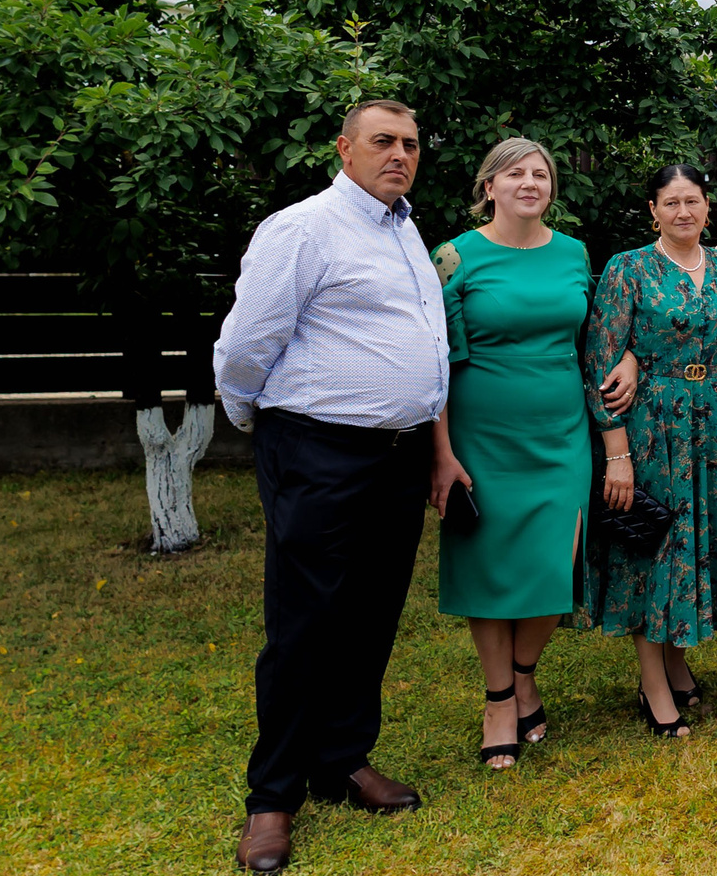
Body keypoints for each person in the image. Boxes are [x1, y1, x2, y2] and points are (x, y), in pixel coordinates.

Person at [214, 99, 445, 872]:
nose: (400, 154)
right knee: (305, 622)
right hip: (319, 451)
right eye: (383, 141)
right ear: (345, 149)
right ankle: (272, 797)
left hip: (398, 455)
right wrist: (260, 421)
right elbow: (246, 344)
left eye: (410, 143)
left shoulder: (404, 228)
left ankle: (342, 760)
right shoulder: (304, 229)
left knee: (370, 615)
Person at [427, 138, 628, 768]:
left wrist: (627, 357)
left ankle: (522, 674)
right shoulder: (455, 256)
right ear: (489, 186)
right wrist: (441, 452)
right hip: (481, 436)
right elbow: (433, 361)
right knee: (489, 567)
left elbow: (598, 332)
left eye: (540, 174)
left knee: (556, 563)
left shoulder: (573, 253)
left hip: (561, 433)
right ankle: (499, 701)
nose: (529, 183)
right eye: (514, 173)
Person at [585, 164, 717, 737]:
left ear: (709, 208)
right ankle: (653, 683)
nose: (683, 212)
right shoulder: (629, 268)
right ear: (653, 211)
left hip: (713, 420)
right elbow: (600, 360)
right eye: (671, 202)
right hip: (651, 424)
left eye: (693, 201)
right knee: (656, 545)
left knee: (695, 541)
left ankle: (678, 657)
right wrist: (617, 451)